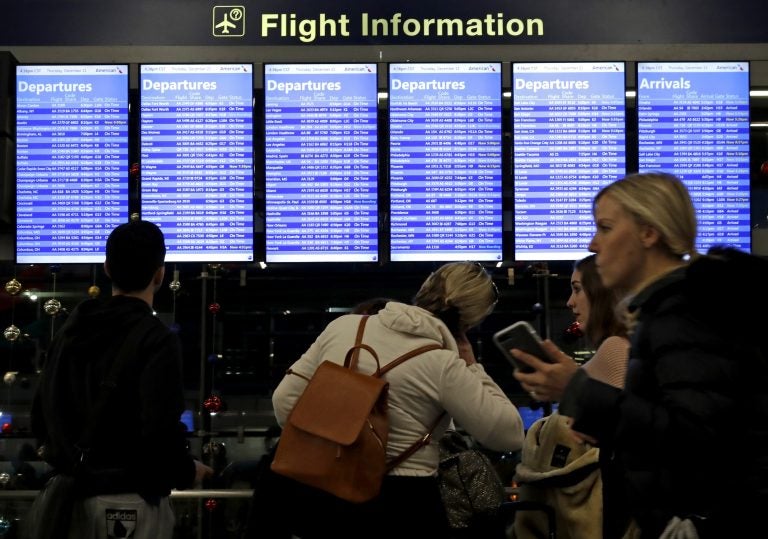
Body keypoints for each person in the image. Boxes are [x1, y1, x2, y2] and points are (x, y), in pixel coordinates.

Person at [511, 172, 768, 538]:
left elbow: (697, 439)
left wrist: (577, 390)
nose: (593, 243)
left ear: (649, 233)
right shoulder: (682, 305)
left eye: (605, 227)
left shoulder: (686, 311)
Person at [269, 261, 524, 539]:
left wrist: (340, 438)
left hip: (327, 493)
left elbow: (284, 402)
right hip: (406, 502)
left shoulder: (344, 328)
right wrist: (473, 367)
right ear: (473, 320)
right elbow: (508, 436)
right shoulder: (444, 364)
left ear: (426, 286)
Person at [30, 219, 212, 539]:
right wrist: (185, 471)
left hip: (67, 500)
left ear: (107, 269)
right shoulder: (157, 339)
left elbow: (39, 416)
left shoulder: (70, 330)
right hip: (130, 500)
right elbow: (159, 429)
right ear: (159, 274)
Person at [513, 254, 629, 539]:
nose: (570, 302)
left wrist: (570, 386)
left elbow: (617, 433)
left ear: (601, 293)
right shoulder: (625, 346)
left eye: (577, 289)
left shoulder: (614, 348)